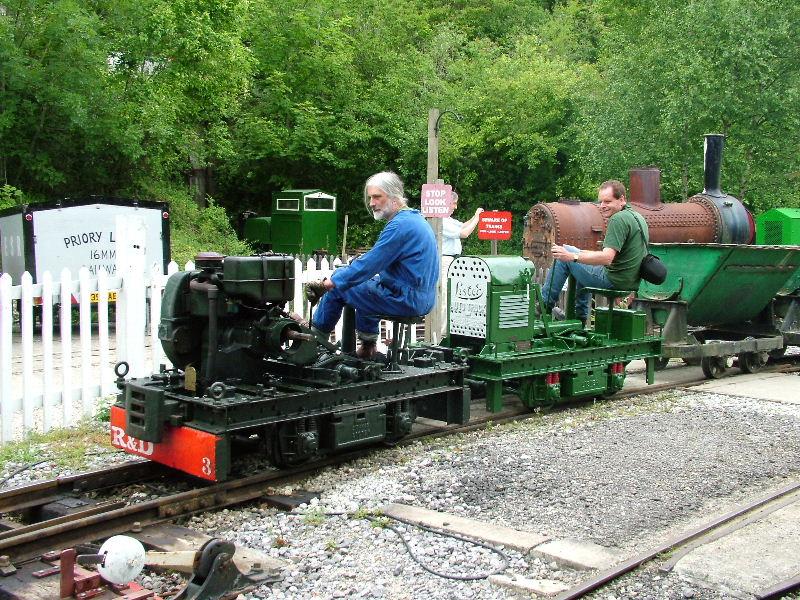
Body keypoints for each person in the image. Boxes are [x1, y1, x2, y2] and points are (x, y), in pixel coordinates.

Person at [301, 171, 439, 359]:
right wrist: (350, 270)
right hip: (419, 297)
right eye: (370, 198)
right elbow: (376, 258)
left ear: (394, 197)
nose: (372, 203)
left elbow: (371, 264)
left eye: (377, 197)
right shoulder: (413, 220)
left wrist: (328, 283)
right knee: (361, 285)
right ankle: (368, 346)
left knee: (340, 287)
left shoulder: (400, 226)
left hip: (407, 298)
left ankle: (315, 342)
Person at [541, 180, 648, 322]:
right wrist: (576, 254)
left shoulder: (617, 220)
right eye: (601, 202)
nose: (602, 206)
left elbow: (607, 258)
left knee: (565, 258)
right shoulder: (637, 217)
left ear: (621, 199)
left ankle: (542, 307)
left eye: (608, 201)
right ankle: (580, 317)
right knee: (573, 254)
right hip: (629, 281)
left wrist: (571, 256)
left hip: (613, 280)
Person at [440, 192, 483, 336]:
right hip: (445, 260)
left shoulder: (448, 220)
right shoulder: (441, 221)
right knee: (445, 297)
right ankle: (441, 334)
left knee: (451, 296)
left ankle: (447, 332)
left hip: (452, 261)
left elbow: (463, 225)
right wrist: (477, 218)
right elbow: (464, 233)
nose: (455, 207)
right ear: (447, 203)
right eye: (454, 203)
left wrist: (476, 215)